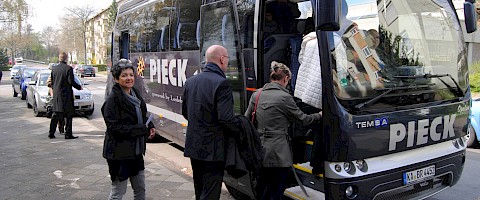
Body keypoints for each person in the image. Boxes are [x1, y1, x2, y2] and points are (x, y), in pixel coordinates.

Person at [245, 61, 321, 200]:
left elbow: (247, 119)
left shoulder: (257, 95)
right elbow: (303, 119)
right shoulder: (285, 97)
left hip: (259, 151)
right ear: (285, 78)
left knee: (262, 190)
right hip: (279, 153)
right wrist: (319, 115)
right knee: (276, 191)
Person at [182, 45, 238, 200]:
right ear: (221, 59)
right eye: (227, 58)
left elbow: (186, 113)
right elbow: (226, 118)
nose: (227, 61)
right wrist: (240, 129)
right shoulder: (222, 83)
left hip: (194, 146)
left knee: (200, 190)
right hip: (213, 149)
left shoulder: (191, 81)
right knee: (211, 193)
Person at [101, 58, 156, 200]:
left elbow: (142, 114)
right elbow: (114, 128)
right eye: (124, 75)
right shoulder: (112, 100)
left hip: (135, 152)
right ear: (116, 79)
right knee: (118, 193)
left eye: (131, 75)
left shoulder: (135, 93)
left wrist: (149, 125)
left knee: (140, 189)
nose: (129, 78)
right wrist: (140, 130)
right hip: (119, 154)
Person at [48, 52, 82, 139]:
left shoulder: (54, 69)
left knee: (55, 114)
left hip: (56, 96)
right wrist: (79, 87)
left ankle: (51, 133)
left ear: (59, 58)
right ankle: (68, 134)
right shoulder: (68, 69)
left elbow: (51, 82)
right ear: (66, 59)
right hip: (66, 96)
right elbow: (71, 82)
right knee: (68, 115)